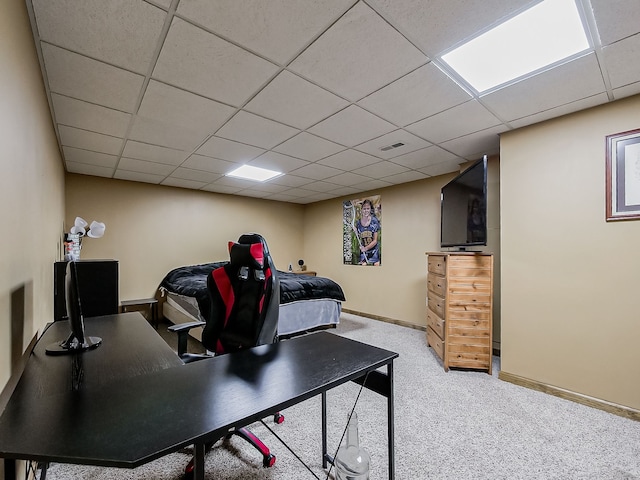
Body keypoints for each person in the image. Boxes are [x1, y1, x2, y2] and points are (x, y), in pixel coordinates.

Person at [356, 199, 380, 265]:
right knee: (363, 267)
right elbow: (359, 239)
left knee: (376, 266)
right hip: (364, 252)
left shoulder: (374, 221)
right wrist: (355, 231)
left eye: (368, 208)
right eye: (364, 209)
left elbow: (375, 241)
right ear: (361, 210)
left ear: (370, 210)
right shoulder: (358, 223)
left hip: (373, 251)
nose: (366, 210)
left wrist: (366, 248)